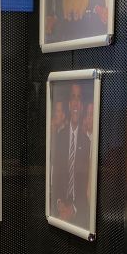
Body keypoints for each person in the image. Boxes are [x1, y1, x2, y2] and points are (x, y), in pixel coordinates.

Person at [51, 82, 91, 228]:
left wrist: (73, 209)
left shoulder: (87, 141)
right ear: (69, 104)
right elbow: (55, 176)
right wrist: (59, 203)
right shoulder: (59, 137)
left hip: (79, 211)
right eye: (73, 97)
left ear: (81, 106)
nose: (75, 102)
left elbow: (87, 184)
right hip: (59, 208)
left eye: (79, 98)